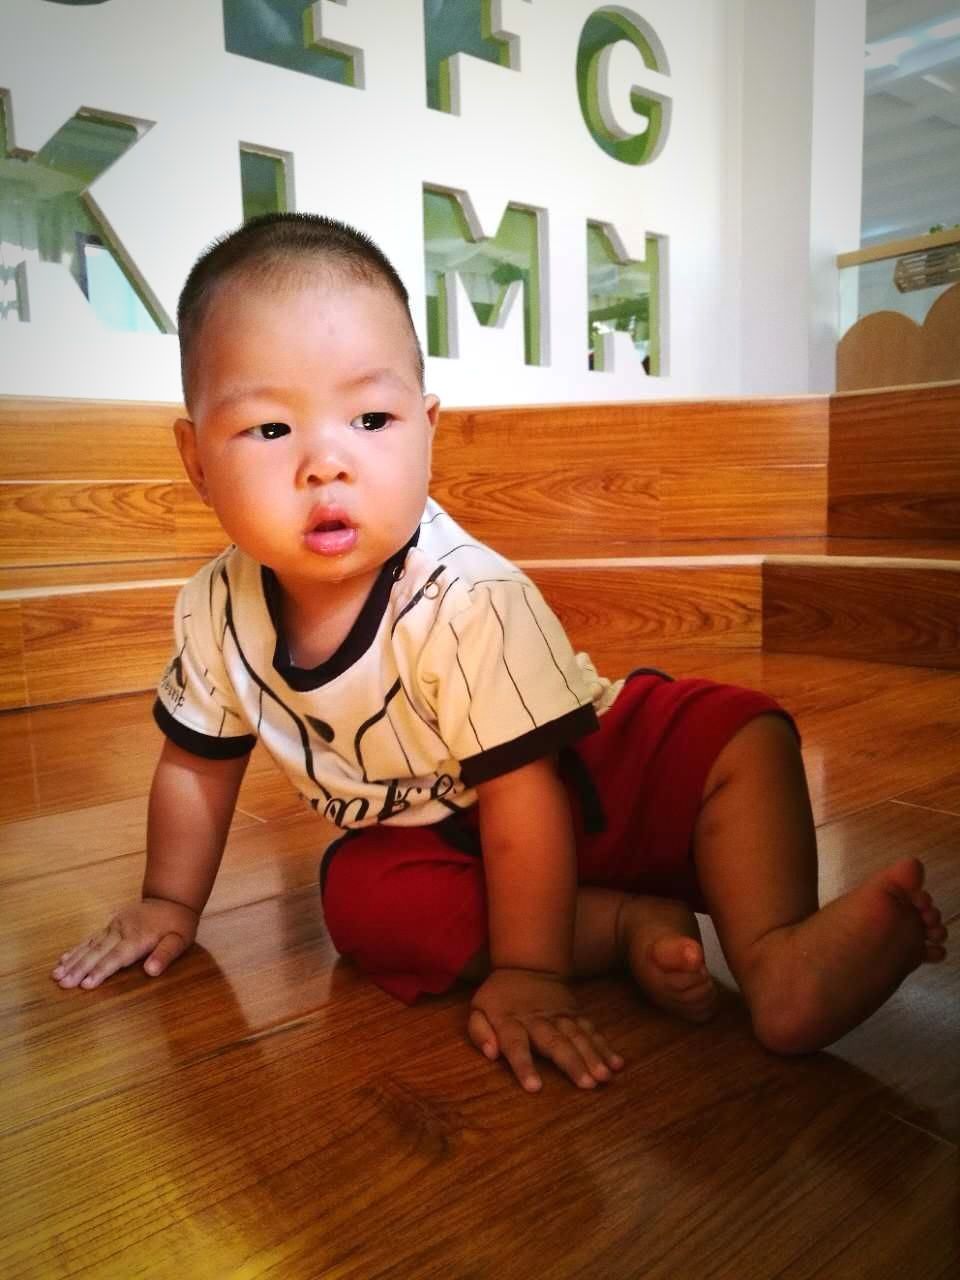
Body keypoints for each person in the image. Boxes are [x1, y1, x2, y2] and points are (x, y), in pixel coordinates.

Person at [52, 213, 948, 1093]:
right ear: (196, 458)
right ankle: (626, 926)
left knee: (738, 737)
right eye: (271, 430)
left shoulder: (469, 595)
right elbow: (194, 767)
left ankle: (777, 957)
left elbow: (529, 792)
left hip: (593, 776)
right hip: (453, 842)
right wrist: (171, 902)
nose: (326, 463)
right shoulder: (215, 608)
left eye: (370, 418)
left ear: (428, 427)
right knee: (364, 902)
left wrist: (528, 973)